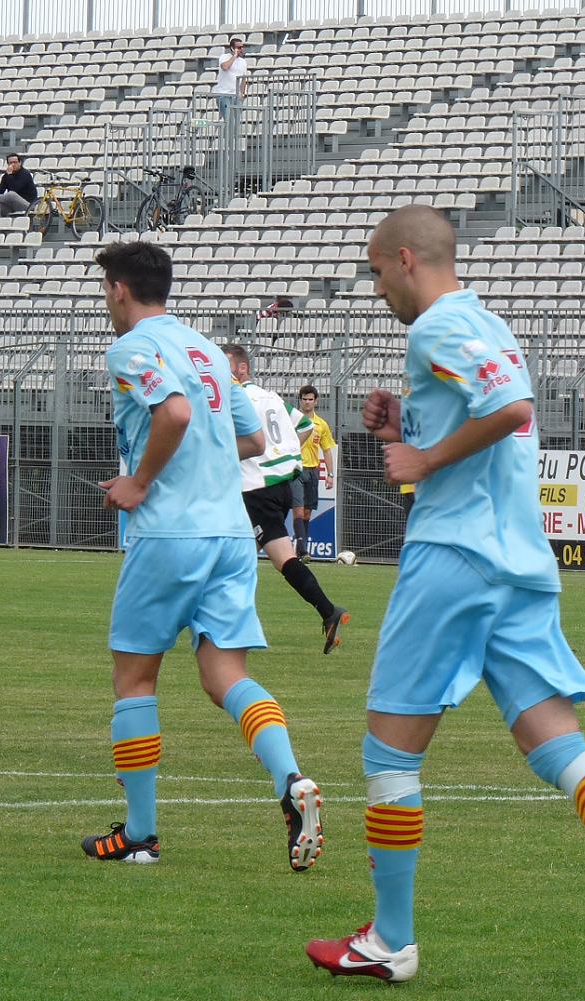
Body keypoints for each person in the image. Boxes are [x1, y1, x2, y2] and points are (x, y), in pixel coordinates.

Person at [305, 205, 585, 994]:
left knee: (388, 752)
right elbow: (489, 413)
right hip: (518, 562)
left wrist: (418, 457)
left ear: (406, 259)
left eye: (376, 273)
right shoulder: (488, 321)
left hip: (455, 558)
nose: (376, 289)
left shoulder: (434, 327)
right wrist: (399, 424)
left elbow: (509, 409)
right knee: (556, 743)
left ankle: (391, 940)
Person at [81, 240, 323, 875]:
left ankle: (141, 834)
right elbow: (245, 435)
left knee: (135, 680)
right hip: (230, 535)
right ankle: (290, 779)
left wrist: (138, 483)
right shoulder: (209, 351)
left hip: (169, 537)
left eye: (106, 288)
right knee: (225, 677)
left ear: (119, 290)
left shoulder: (134, 348)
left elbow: (176, 412)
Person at [223, 344, 350, 655]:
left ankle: (232, 627)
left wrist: (263, 456)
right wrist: (285, 454)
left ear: (242, 369)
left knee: (230, 557)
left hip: (255, 486)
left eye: (223, 365)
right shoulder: (272, 397)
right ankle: (328, 610)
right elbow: (304, 426)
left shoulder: (234, 398)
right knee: (280, 557)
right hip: (281, 484)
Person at [291, 384, 335, 562]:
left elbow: (326, 450)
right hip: (296, 470)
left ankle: (300, 548)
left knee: (308, 513)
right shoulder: (292, 420)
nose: (307, 402)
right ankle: (303, 551)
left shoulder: (321, 424)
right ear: (299, 400)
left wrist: (330, 475)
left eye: (310, 399)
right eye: (304, 399)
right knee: (299, 512)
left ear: (316, 401)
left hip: (313, 470)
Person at [212, 36, 248, 119]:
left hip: (236, 96)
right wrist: (234, 56)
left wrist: (242, 94)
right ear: (232, 48)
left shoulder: (243, 62)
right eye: (239, 47)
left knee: (236, 122)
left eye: (242, 47)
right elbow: (225, 67)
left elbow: (243, 79)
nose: (241, 49)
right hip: (224, 94)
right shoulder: (224, 57)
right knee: (229, 120)